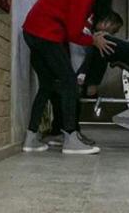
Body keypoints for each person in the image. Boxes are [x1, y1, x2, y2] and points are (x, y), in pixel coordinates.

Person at [22, 0, 122, 155]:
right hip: (45, 34)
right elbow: (74, 33)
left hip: (31, 31)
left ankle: (31, 137)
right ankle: (70, 138)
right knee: (69, 82)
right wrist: (94, 40)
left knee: (47, 85)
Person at [41, 12, 124, 148]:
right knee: (65, 99)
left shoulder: (88, 29)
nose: (114, 33)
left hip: (69, 68)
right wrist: (86, 79)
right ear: (106, 23)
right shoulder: (84, 29)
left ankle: (71, 132)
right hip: (66, 69)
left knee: (69, 101)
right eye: (114, 29)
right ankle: (64, 132)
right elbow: (79, 55)